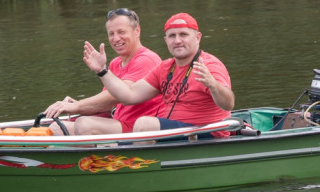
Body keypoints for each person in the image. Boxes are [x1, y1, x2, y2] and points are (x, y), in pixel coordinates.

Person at [82, 12, 235, 138]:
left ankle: (139, 168)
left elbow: (228, 104)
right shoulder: (165, 68)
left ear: (198, 37)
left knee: (144, 124)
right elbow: (130, 95)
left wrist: (213, 85)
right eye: (172, 36)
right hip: (176, 133)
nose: (178, 41)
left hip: (206, 134)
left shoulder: (209, 65)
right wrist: (102, 70)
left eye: (183, 34)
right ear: (166, 40)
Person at [42, 8, 162, 134]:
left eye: (121, 32)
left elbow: (114, 97)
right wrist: (75, 105)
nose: (116, 39)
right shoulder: (115, 63)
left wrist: (77, 106)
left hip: (139, 128)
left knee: (85, 125)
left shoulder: (147, 59)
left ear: (136, 31)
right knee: (56, 128)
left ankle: (95, 153)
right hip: (119, 123)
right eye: (111, 34)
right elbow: (105, 105)